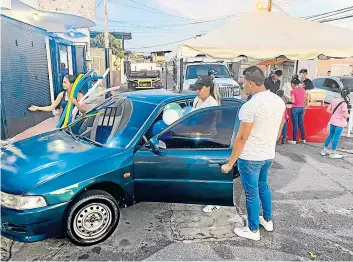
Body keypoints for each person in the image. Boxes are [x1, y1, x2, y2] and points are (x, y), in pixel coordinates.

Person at [221, 66, 285, 241]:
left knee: (251, 193)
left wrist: (230, 163)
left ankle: (252, 230)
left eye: (243, 84)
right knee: (263, 186)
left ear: (249, 83)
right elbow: (279, 127)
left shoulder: (250, 106)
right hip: (267, 154)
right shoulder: (278, 101)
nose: (243, 87)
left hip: (250, 157)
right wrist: (269, 143)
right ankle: (267, 220)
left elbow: (241, 138)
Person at [191, 75, 221, 213]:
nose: (197, 91)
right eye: (196, 89)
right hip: (197, 138)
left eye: (200, 88)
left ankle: (215, 201)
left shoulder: (212, 104)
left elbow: (204, 124)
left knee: (209, 172)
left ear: (208, 87)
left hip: (209, 139)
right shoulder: (197, 100)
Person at [321, 88, 351, 159]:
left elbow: (328, 110)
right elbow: (346, 115)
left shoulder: (334, 100)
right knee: (336, 138)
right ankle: (333, 153)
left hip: (333, 121)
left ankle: (324, 150)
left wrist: (336, 114)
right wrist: (349, 115)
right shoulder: (345, 103)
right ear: (348, 95)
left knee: (330, 135)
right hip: (340, 123)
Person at [288, 76, 307, 144]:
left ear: (293, 84)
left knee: (295, 124)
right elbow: (306, 98)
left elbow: (293, 101)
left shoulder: (292, 91)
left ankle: (294, 140)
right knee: (301, 124)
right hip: (302, 108)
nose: (291, 86)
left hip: (295, 108)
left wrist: (288, 100)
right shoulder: (303, 90)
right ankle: (303, 139)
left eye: (291, 84)